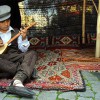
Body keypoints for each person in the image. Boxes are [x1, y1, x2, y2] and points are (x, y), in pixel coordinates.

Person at [0, 5, 37, 98]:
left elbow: (23, 49)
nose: (6, 24)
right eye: (2, 22)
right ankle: (27, 71)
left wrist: (24, 38)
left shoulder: (16, 32)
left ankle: (17, 81)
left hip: (14, 57)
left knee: (32, 53)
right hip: (1, 60)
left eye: (8, 21)